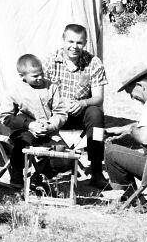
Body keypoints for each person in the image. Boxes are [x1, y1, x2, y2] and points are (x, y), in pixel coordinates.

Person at [0, 54, 72, 187]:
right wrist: (28, 125)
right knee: (21, 144)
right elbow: (5, 117)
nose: (40, 78)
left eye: (41, 73)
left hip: (48, 131)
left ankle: (40, 175)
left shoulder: (51, 87)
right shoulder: (14, 90)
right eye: (35, 76)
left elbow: (60, 112)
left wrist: (50, 126)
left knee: (65, 159)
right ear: (22, 76)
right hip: (24, 130)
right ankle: (17, 175)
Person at [46, 23, 107, 188]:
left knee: (96, 115)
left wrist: (83, 103)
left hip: (81, 115)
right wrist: (59, 104)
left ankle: (96, 170)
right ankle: (44, 170)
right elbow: (40, 93)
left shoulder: (93, 63)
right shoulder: (50, 61)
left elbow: (98, 97)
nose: (74, 47)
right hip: (57, 114)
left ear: (85, 42)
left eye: (79, 43)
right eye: (70, 42)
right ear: (63, 40)